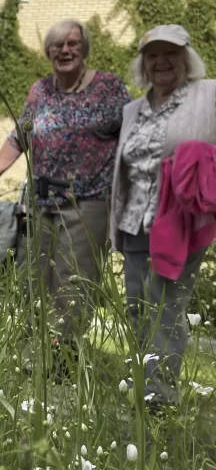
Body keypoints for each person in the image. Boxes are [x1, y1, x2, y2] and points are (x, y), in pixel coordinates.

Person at [0, 19, 132, 363]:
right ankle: (31, 358)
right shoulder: (40, 91)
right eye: (57, 45)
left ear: (85, 49)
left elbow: (133, 134)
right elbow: (19, 137)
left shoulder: (107, 87)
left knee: (72, 282)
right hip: (40, 201)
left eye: (73, 43)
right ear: (48, 52)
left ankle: (60, 362)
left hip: (88, 201)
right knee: (32, 280)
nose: (65, 50)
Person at [111, 24, 216, 411]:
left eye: (169, 53)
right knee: (138, 305)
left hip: (181, 223)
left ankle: (159, 398)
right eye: (152, 55)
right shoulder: (132, 110)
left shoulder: (209, 95)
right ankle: (141, 381)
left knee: (167, 308)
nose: (161, 62)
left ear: (186, 58)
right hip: (135, 221)